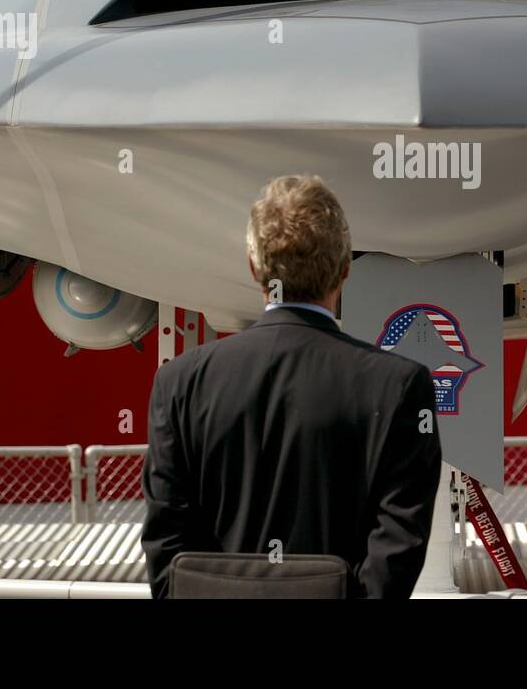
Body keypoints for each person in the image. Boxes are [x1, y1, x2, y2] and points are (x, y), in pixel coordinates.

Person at [141, 174, 441, 598]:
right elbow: (398, 547)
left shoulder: (180, 383)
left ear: (253, 266)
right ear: (345, 268)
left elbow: (166, 544)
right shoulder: (400, 386)